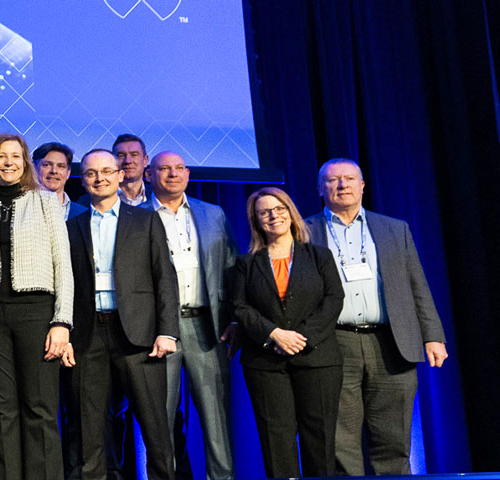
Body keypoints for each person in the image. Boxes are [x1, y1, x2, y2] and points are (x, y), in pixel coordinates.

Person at [304, 159, 448, 476]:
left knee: (393, 438)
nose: (342, 185)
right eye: (333, 180)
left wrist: (433, 336)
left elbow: (417, 284)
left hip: (391, 342)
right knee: (340, 440)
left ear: (362, 185)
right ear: (320, 188)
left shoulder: (395, 229)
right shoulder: (303, 231)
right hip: (334, 342)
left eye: (349, 178)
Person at [0, 132, 74, 480]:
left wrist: (62, 322)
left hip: (36, 313)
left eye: (15, 156)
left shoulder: (46, 202)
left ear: (25, 163)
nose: (8, 162)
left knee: (40, 408)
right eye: (1, 156)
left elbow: (62, 265)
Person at [66, 150, 178, 480]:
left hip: (139, 335)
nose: (99, 178)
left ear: (119, 175)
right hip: (87, 335)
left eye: (106, 171)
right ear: (83, 180)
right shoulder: (71, 227)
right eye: (91, 173)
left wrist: (167, 331)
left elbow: (164, 276)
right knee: (89, 429)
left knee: (155, 426)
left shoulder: (145, 220)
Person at [229, 187, 345, 478]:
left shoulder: (319, 256)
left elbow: (334, 299)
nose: (273, 216)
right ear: (256, 220)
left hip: (317, 358)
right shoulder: (246, 263)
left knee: (319, 439)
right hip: (265, 362)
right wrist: (274, 334)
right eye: (264, 212)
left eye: (279, 209)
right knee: (276, 440)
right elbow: (240, 307)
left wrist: (300, 338)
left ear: (291, 213)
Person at [146, 151, 237, 480]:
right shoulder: (137, 215)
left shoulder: (212, 213)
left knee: (216, 418)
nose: (173, 174)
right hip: (158, 330)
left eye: (179, 168)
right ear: (149, 175)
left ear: (187, 174)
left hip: (206, 326)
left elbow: (231, 267)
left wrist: (234, 319)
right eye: (164, 168)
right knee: (159, 418)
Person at [30, 142, 81, 219]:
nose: (54, 171)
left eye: (61, 166)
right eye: (47, 165)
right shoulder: (22, 208)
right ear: (34, 168)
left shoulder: (82, 213)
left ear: (68, 173)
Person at [112, 134, 149, 206]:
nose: (128, 161)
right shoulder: (96, 198)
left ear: (145, 160)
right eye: (121, 156)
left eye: (134, 155)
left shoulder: (160, 195)